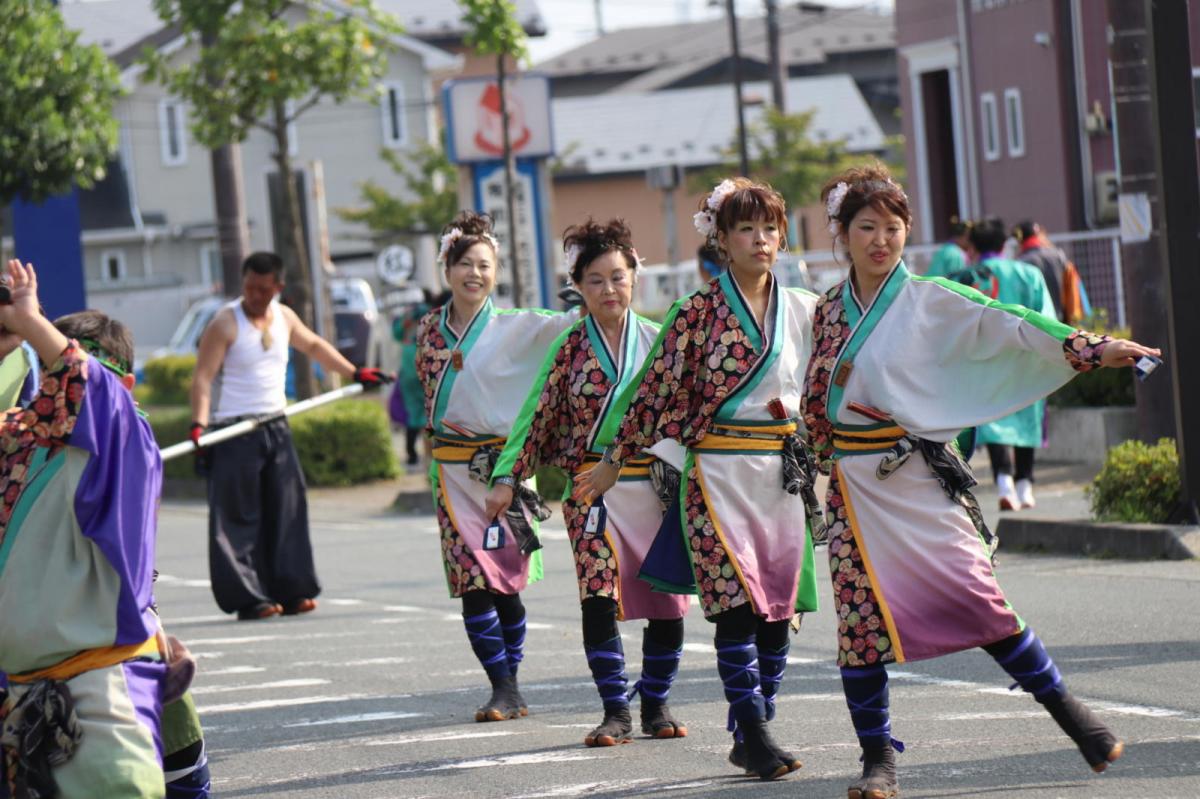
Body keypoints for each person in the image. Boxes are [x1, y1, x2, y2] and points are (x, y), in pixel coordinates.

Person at [803, 163, 1159, 799]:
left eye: (892, 227)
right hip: (857, 493)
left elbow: (1011, 321)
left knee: (982, 603)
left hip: (916, 476)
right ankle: (877, 763)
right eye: (866, 227)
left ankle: (1076, 719)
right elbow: (811, 404)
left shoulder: (932, 298)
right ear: (842, 233)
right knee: (859, 631)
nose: (880, 240)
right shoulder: (826, 312)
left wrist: (1091, 347)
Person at [574, 178, 822, 781]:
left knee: (777, 613)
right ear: (722, 240)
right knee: (733, 609)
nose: (760, 240)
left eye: (769, 229)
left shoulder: (807, 308)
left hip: (782, 477)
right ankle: (755, 732)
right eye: (745, 229)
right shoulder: (694, 312)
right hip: (714, 476)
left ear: (782, 237)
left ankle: (753, 722)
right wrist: (612, 462)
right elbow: (652, 392)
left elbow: (832, 385)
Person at [485, 219, 691, 748]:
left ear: (635, 277)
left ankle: (658, 701)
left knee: (666, 599)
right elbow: (537, 415)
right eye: (595, 280)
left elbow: (686, 411)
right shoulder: (570, 349)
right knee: (598, 597)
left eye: (618, 277)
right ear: (578, 285)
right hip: (590, 490)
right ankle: (615, 711)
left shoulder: (660, 341)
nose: (609, 290)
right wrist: (508, 476)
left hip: (655, 486)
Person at [0, 260, 166, 797]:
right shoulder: (21, 438)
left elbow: (95, 394)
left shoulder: (127, 437)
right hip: (22, 696)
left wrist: (28, 321)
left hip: (100, 694)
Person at [415, 211, 576, 723]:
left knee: (505, 579)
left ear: (496, 273)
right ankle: (501, 685)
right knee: (471, 580)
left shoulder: (516, 326)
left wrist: (593, 289)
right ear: (447, 269)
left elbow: (572, 326)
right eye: (465, 264)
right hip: (452, 473)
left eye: (485, 265)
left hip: (503, 469)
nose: (475, 274)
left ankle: (514, 681)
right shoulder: (427, 332)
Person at [189, 252, 390, 621]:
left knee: (287, 510)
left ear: (277, 288)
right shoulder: (224, 322)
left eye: (263, 289)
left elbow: (314, 346)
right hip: (234, 430)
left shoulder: (284, 317)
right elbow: (202, 378)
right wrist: (199, 426)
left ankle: (292, 589)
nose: (254, 295)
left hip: (275, 424)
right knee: (238, 517)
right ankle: (250, 597)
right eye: (249, 287)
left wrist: (355, 372)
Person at [957, 216, 1058, 511]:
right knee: (1027, 417)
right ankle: (1026, 485)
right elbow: (1047, 320)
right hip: (1026, 359)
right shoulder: (1029, 274)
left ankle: (1004, 483)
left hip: (985, 362)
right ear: (1005, 244)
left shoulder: (964, 277)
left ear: (972, 245)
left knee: (995, 421)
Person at [1013, 220, 1087, 324]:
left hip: (1035, 322)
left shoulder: (1020, 263)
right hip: (1061, 321)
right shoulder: (1058, 255)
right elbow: (1072, 288)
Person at [391, 299, 431, 468]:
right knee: (427, 413)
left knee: (412, 413)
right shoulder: (430, 313)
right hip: (425, 363)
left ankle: (412, 454)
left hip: (408, 366)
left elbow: (396, 334)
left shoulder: (407, 317)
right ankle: (427, 455)